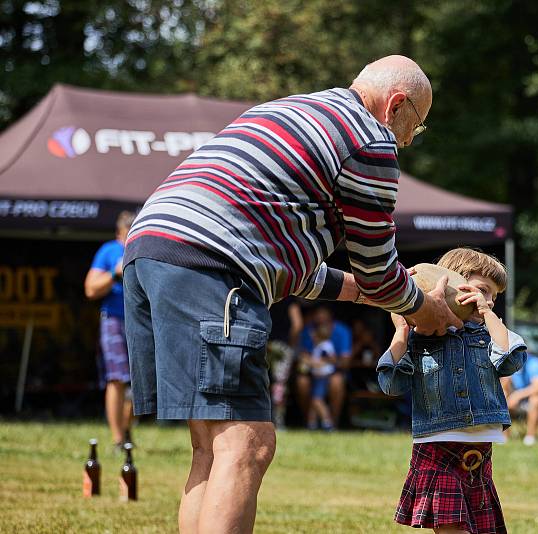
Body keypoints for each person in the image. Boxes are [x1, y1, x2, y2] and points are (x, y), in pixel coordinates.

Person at [122, 55, 462, 533]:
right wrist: (424, 309)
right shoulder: (370, 138)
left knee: (211, 447)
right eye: (415, 126)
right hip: (210, 263)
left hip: (153, 253)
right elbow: (377, 267)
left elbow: (287, 266)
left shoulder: (295, 110)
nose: (408, 140)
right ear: (396, 105)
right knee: (248, 444)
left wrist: (367, 296)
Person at [377, 248, 526, 534]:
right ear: (452, 283)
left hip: (479, 449)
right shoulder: (420, 339)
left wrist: (485, 311)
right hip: (436, 445)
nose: (489, 301)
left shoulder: (489, 332)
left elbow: (511, 359)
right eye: (483, 290)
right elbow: (391, 384)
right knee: (453, 528)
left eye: (494, 296)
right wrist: (401, 333)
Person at [85, 210, 136, 451]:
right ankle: (118, 439)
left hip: (140, 321)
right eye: (128, 234)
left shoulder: (144, 248)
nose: (131, 239)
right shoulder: (108, 250)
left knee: (141, 382)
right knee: (116, 380)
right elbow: (91, 289)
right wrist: (115, 274)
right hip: (114, 320)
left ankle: (127, 431)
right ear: (119, 233)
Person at [295, 305, 352, 428]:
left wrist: (323, 362)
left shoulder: (340, 332)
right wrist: (309, 361)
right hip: (312, 373)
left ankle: (331, 423)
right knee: (302, 382)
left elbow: (344, 361)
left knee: (334, 384)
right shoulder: (308, 330)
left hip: (331, 372)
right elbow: (302, 354)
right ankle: (309, 423)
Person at [265, 296, 303, 429]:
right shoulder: (289, 298)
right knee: (279, 385)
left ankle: (261, 419)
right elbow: (297, 324)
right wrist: (290, 344)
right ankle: (279, 423)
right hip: (282, 346)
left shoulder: (264, 293)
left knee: (261, 382)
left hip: (263, 344)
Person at [501, 353, 538, 446]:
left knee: (535, 399)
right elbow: (503, 386)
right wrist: (506, 384)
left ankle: (530, 438)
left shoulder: (534, 363)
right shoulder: (510, 362)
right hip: (520, 401)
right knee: (503, 396)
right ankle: (504, 437)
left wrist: (517, 395)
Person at [300, 321, 337, 430]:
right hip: (317, 377)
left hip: (323, 377)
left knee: (317, 400)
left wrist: (308, 361)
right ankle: (312, 424)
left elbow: (330, 359)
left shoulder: (325, 346)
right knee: (314, 401)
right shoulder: (319, 346)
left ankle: (328, 423)